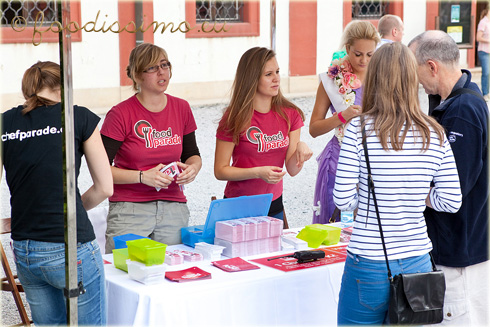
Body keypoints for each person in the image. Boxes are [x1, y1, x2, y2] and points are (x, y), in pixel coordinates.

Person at [333, 42, 462, 325]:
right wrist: (416, 195)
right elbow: (451, 201)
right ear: (410, 78)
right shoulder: (434, 133)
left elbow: (342, 199)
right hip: (417, 259)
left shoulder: (359, 129)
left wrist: (369, 196)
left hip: (368, 261)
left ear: (375, 77)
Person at [1, 61, 113, 325]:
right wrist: (73, 209)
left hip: (25, 246)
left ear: (28, 89)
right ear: (63, 86)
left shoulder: (5, 122)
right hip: (70, 245)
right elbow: (105, 187)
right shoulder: (78, 116)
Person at [409, 30, 489, 326]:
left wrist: (407, 190)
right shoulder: (454, 100)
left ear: (431, 66)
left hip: (458, 249)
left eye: (416, 72)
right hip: (459, 244)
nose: (415, 81)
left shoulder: (462, 112)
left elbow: (453, 190)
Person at [101, 43, 202, 253]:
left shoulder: (181, 108)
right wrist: (142, 177)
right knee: (124, 271)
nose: (162, 72)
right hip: (129, 208)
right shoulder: (120, 114)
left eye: (165, 65)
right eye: (152, 68)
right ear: (137, 75)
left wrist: (193, 168)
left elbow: (192, 154)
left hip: (173, 205)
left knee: (174, 273)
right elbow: (100, 170)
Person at [214, 47, 312, 221]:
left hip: (274, 204)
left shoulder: (290, 114)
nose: (276, 79)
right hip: (238, 205)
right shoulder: (233, 118)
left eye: (277, 72)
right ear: (252, 78)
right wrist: (257, 172)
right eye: (268, 74)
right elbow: (220, 170)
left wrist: (300, 151)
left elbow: (292, 170)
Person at [309, 20, 379, 224]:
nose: (364, 60)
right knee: (336, 223)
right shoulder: (331, 80)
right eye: (358, 54)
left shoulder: (381, 78)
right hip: (339, 158)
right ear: (347, 48)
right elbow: (314, 129)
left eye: (370, 54)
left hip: (375, 158)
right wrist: (342, 116)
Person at [477, 7, 489, 101]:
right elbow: (478, 38)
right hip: (484, 52)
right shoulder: (483, 22)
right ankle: (484, 93)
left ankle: (488, 93)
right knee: (486, 73)